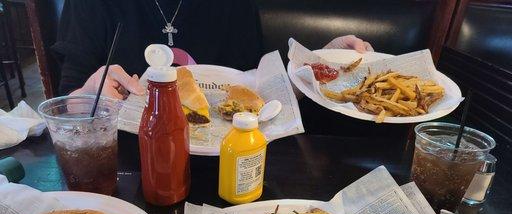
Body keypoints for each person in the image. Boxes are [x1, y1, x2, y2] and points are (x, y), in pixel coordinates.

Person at [54, 0, 373, 99]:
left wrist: (323, 63)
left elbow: (257, 90)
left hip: (221, 165)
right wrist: (83, 97)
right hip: (129, 164)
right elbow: (68, 100)